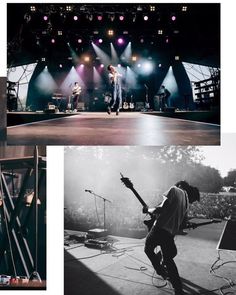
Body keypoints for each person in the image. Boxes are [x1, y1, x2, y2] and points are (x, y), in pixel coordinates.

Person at [143, 180, 200, 295]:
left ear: (179, 185)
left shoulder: (174, 190)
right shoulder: (186, 203)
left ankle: (160, 271)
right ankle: (178, 289)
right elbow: (183, 224)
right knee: (169, 260)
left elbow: (161, 209)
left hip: (159, 229)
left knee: (148, 249)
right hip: (169, 234)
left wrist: (147, 209)